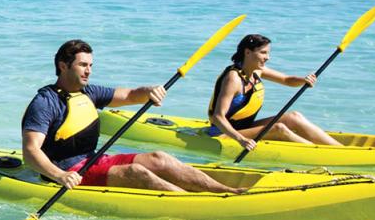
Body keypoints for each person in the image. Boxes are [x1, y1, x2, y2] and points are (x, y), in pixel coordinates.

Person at [21, 39, 244, 193]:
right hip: (69, 172)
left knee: (160, 158)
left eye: (90, 65)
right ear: (63, 66)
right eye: (82, 65)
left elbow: (129, 94)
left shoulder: (89, 92)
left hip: (93, 160)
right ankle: (192, 203)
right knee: (135, 172)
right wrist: (60, 176)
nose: (88, 70)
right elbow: (31, 151)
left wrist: (150, 91)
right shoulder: (45, 102)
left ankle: (225, 191)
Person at [205, 34, 346, 149]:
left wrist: (303, 80)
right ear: (247, 52)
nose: (268, 57)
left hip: (245, 126)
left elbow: (286, 79)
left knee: (294, 117)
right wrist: (241, 139)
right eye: (263, 53)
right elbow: (218, 116)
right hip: (223, 133)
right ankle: (320, 153)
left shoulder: (256, 71)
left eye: (268, 53)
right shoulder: (233, 79)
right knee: (279, 128)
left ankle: (340, 149)